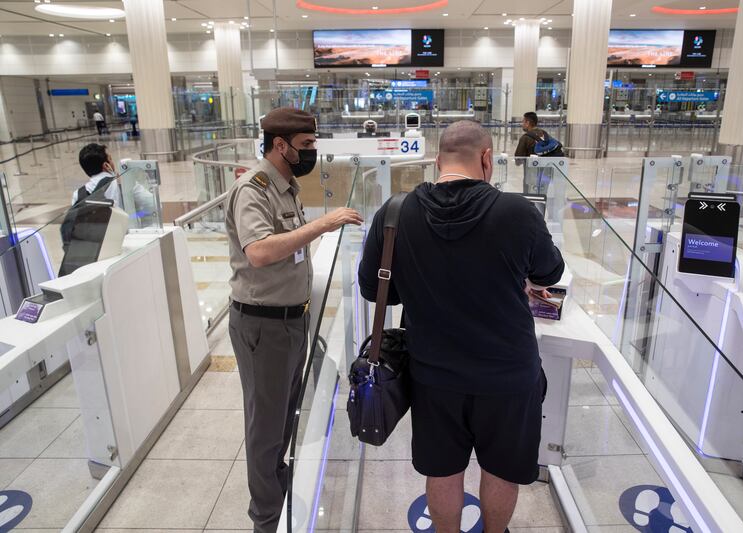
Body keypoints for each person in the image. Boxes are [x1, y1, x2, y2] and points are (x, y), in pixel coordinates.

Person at [358, 120, 565, 533]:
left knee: (443, 471)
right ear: (487, 159)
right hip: (509, 374)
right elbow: (549, 272)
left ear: (438, 161)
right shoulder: (517, 212)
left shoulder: (395, 213)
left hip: (433, 375)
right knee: (502, 470)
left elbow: (374, 289)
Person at [225, 107, 363, 533]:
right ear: (279, 145)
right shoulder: (255, 188)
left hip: (289, 321)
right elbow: (261, 252)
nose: (311, 154)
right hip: (261, 326)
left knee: (285, 415)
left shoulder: (284, 186)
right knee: (265, 426)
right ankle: (265, 520)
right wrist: (323, 224)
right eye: (306, 147)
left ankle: (277, 485)